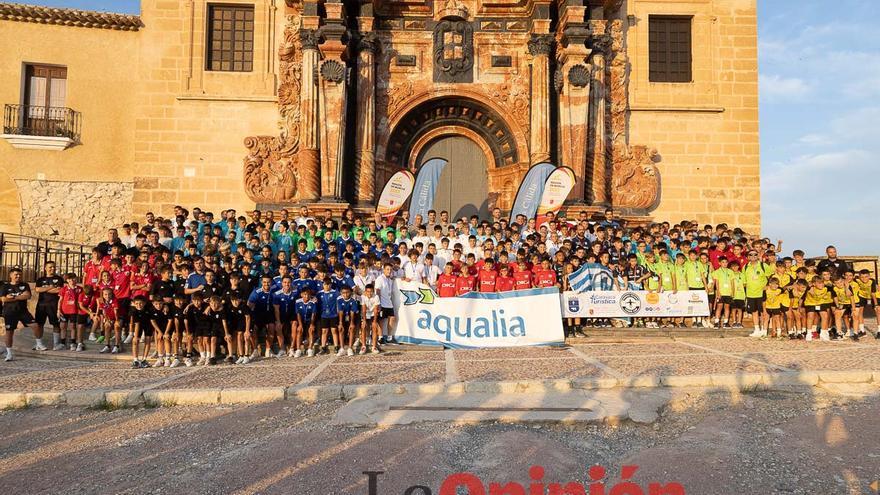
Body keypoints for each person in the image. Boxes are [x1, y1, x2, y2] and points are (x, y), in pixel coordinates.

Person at [0, 268, 39, 361]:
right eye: (16, 274)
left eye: (20, 275)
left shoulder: (25, 285)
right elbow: (4, 299)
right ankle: (9, 353)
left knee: (35, 325)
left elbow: (28, 296)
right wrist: (19, 296)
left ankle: (39, 344)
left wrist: (12, 296)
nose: (18, 276)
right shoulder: (5, 286)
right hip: (10, 312)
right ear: (11, 275)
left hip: (23, 311)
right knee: (9, 332)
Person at [34, 261, 64, 351]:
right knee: (39, 324)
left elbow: (59, 290)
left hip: (53, 305)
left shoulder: (59, 279)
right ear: (45, 268)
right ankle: (39, 344)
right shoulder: (40, 279)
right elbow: (37, 289)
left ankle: (56, 344)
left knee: (56, 324)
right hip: (41, 305)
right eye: (50, 267)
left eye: (54, 267)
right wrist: (51, 287)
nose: (52, 269)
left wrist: (45, 289)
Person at [58, 273, 85, 351]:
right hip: (64, 310)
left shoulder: (80, 289)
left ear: (76, 279)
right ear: (67, 280)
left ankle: (73, 343)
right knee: (63, 326)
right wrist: (58, 310)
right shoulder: (63, 289)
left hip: (74, 310)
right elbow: (60, 300)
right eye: (70, 279)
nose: (72, 281)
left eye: (73, 279)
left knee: (73, 326)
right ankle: (63, 343)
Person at [374, 263, 397, 344]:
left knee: (392, 318)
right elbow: (377, 291)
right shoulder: (380, 279)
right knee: (380, 321)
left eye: (390, 269)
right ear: (383, 270)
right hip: (381, 303)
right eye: (387, 269)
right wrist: (378, 304)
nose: (389, 271)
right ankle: (380, 338)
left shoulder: (390, 280)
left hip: (389, 303)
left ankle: (389, 337)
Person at [294, 287, 317, 357]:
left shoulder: (313, 302)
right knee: (299, 330)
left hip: (309, 320)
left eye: (308, 295)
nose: (306, 296)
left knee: (311, 330)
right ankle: (298, 350)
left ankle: (310, 349)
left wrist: (312, 324)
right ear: (301, 295)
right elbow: (298, 314)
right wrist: (300, 325)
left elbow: (313, 314)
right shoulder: (298, 302)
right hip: (301, 320)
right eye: (305, 294)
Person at [360, 284, 381, 354]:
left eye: (371, 291)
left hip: (372, 313)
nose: (369, 293)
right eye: (368, 291)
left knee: (374, 328)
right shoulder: (362, 297)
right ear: (365, 291)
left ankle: (374, 347)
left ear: (373, 291)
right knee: (363, 327)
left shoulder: (376, 297)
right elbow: (363, 309)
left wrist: (374, 321)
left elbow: (375, 310)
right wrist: (364, 321)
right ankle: (363, 346)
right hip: (365, 313)